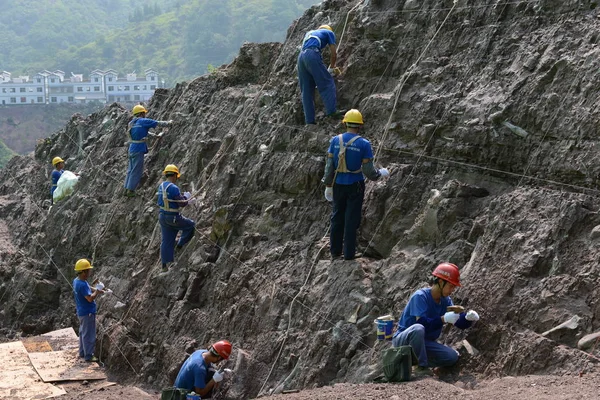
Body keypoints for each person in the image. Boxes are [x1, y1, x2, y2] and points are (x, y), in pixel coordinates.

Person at [321, 109, 389, 260]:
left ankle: (335, 251)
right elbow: (368, 171)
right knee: (351, 219)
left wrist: (328, 185)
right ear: (359, 126)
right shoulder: (364, 144)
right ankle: (349, 254)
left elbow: (329, 166)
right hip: (355, 185)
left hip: (338, 183)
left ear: (345, 123)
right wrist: (380, 174)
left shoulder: (335, 141)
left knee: (337, 216)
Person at [392, 263, 480, 376]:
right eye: (451, 286)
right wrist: (443, 319)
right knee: (418, 329)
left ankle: (413, 362)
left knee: (452, 357)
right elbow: (421, 323)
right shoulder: (420, 296)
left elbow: (458, 322)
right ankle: (421, 367)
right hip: (404, 341)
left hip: (424, 344)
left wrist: (468, 318)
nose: (452, 290)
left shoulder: (446, 301)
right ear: (440, 282)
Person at [297, 24, 342, 125]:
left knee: (306, 90)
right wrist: (331, 67)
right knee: (326, 82)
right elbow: (334, 54)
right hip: (312, 54)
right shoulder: (329, 33)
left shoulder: (310, 33)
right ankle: (331, 111)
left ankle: (309, 121)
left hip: (301, 57)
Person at [124, 104, 172, 197]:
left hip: (132, 148)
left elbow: (141, 132)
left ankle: (126, 189)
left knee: (130, 169)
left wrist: (155, 136)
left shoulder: (132, 123)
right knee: (136, 170)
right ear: (142, 113)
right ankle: (131, 190)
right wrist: (169, 123)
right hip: (138, 149)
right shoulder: (143, 121)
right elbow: (157, 122)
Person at [157, 164, 196, 272]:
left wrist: (185, 199)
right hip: (173, 217)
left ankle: (164, 266)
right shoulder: (173, 188)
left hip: (162, 216)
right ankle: (180, 245)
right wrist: (187, 198)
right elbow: (181, 203)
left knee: (166, 240)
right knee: (190, 225)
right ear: (174, 175)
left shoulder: (161, 186)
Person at [73, 258, 104, 362]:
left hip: (81, 311)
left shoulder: (77, 281)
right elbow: (90, 298)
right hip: (88, 313)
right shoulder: (81, 284)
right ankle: (88, 356)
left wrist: (97, 289)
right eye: (88, 270)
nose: (90, 272)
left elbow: (88, 287)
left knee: (83, 333)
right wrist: (98, 291)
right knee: (89, 335)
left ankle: (82, 352)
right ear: (84, 272)